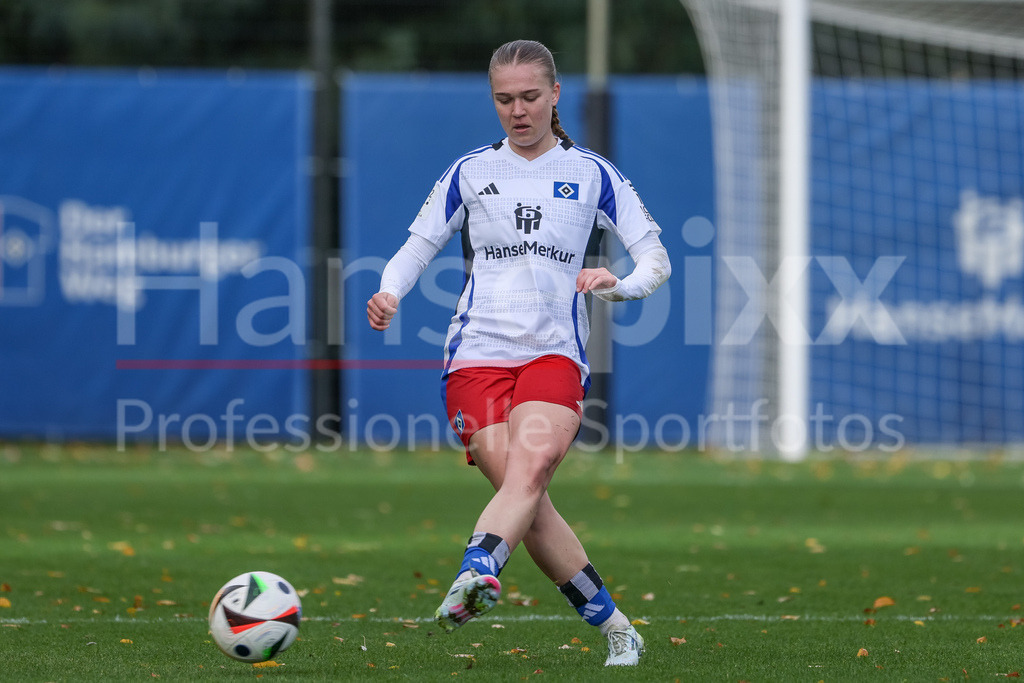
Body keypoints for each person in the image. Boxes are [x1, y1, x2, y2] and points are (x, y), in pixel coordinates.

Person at [366, 39, 670, 667]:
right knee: (524, 498)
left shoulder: (593, 174)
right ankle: (616, 627)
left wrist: (617, 284)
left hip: (553, 354)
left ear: (555, 94)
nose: (518, 110)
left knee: (528, 472)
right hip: (475, 357)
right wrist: (389, 291)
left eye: (530, 96)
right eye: (504, 99)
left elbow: (655, 260)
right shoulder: (470, 171)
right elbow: (417, 245)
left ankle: (476, 568)